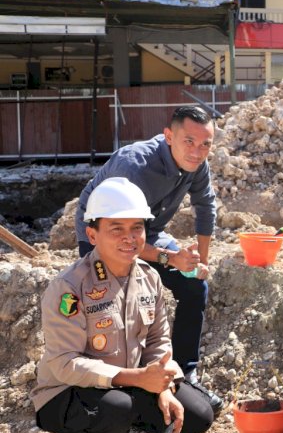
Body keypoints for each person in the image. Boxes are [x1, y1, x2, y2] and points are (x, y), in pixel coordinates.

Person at [32, 178, 214, 433]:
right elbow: (65, 363)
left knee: (198, 413)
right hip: (65, 392)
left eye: (137, 228)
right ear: (92, 235)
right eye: (117, 229)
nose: (129, 238)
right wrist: (138, 379)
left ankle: (125, 430)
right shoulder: (70, 287)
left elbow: (158, 341)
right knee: (118, 408)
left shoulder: (150, 277)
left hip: (128, 384)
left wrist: (162, 386)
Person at [74, 106, 222, 412]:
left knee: (194, 286)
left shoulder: (197, 163)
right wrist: (170, 258)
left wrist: (198, 263)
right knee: (110, 304)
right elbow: (123, 238)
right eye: (189, 141)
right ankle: (110, 396)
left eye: (205, 144)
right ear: (169, 136)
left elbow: (205, 205)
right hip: (105, 231)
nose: (197, 151)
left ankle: (185, 373)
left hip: (148, 229)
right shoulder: (135, 166)